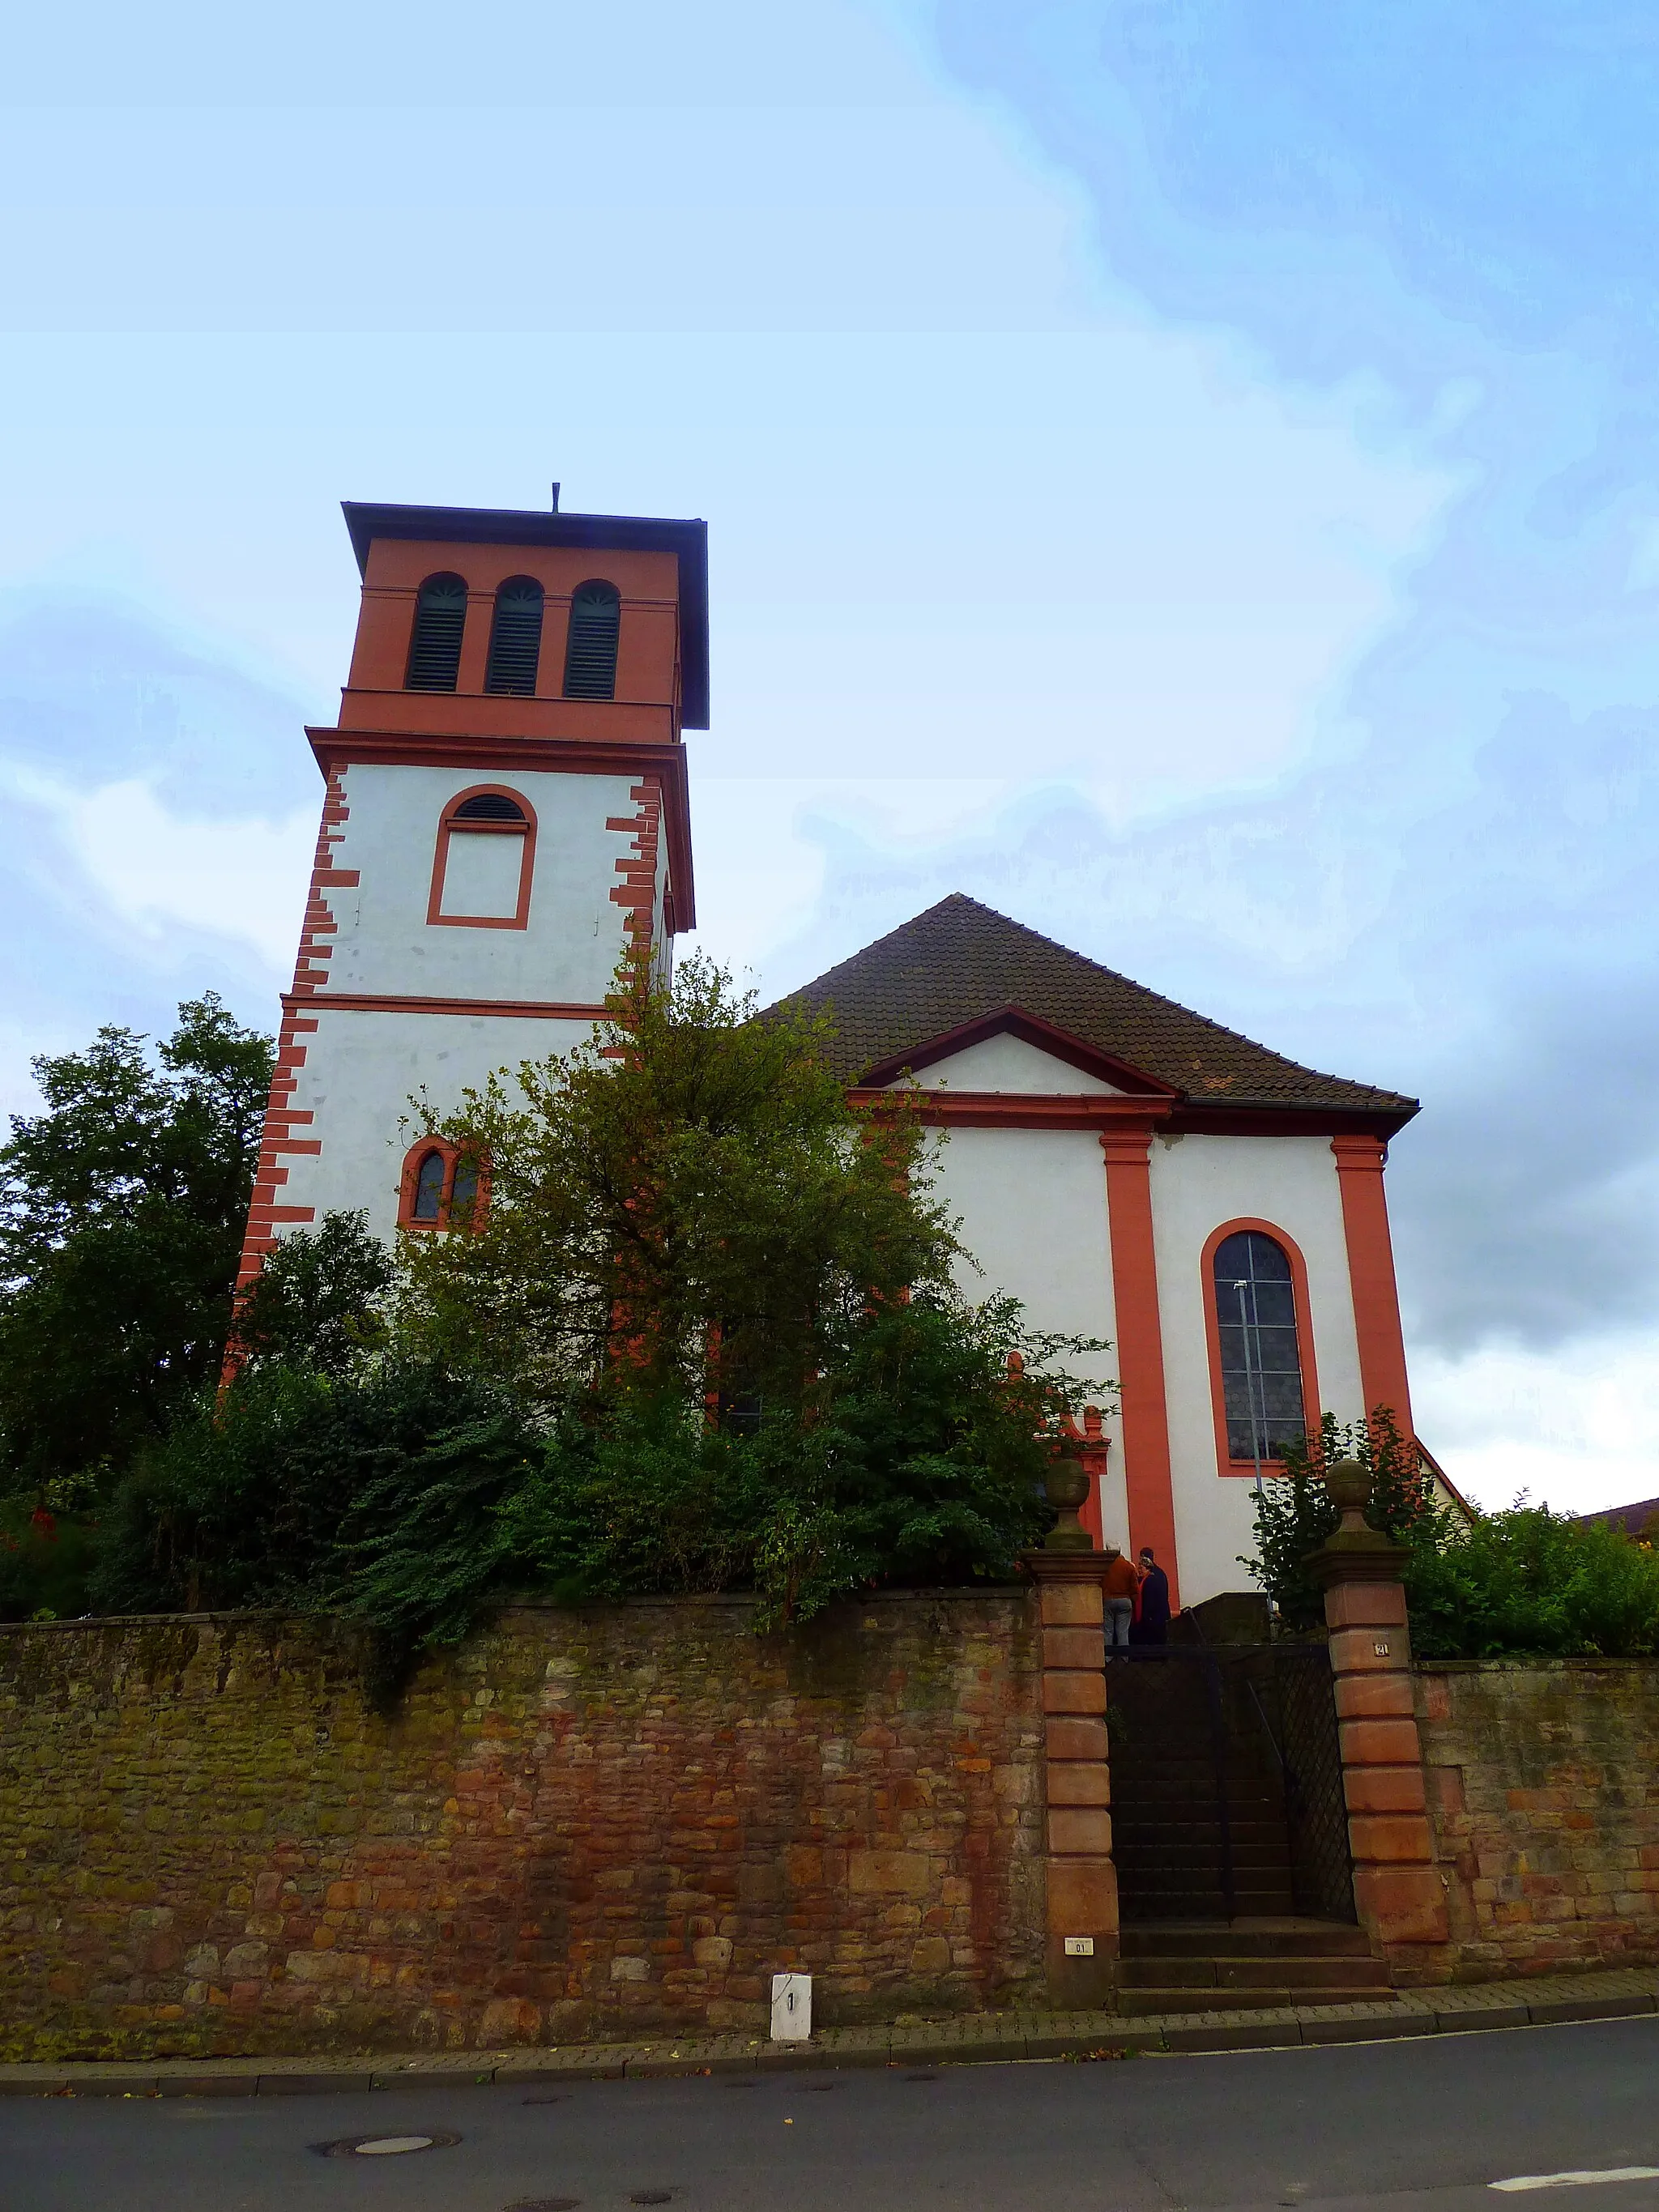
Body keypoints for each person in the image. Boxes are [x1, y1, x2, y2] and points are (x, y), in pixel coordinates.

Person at [1101, 1542, 1138, 1647]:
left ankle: (1108, 1657)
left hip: (1108, 1600)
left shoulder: (1104, 1567)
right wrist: (1134, 1600)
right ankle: (1124, 1658)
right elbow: (1134, 1587)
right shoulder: (1128, 1566)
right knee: (1123, 1632)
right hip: (1125, 1600)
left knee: (1108, 1632)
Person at [1132, 1546, 1171, 1646]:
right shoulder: (1161, 1573)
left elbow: (1148, 1597)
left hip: (1152, 1616)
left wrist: (1146, 1615)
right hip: (1161, 1613)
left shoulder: (1149, 1577)